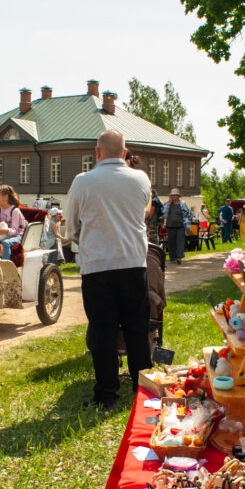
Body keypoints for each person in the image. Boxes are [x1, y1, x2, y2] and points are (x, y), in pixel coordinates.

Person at [66, 129, 152, 410]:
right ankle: (143, 389)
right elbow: (141, 215)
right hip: (132, 263)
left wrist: (85, 238)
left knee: (102, 331)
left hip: (97, 266)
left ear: (97, 152)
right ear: (125, 153)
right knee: (136, 328)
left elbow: (71, 227)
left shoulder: (83, 181)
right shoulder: (140, 178)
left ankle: (106, 393)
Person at [0, 184, 27, 260]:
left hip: (18, 236)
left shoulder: (14, 210)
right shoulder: (0, 211)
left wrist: (4, 231)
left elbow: (15, 231)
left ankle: (6, 265)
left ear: (5, 197)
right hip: (6, 236)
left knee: (5, 243)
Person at [162, 188, 192, 264]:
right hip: (170, 226)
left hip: (180, 226)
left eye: (174, 196)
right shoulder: (167, 204)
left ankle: (179, 257)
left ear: (178, 196)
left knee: (180, 241)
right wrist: (168, 203)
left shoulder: (182, 203)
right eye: (172, 196)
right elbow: (163, 213)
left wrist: (187, 226)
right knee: (171, 243)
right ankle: (173, 258)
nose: (173, 197)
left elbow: (186, 215)